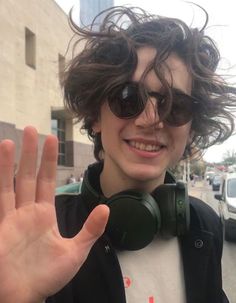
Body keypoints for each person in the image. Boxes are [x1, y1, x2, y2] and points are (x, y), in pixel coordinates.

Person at [0, 5, 235, 303]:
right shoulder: (41, 231)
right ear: (96, 116)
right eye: (127, 98)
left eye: (175, 105)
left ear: (190, 127)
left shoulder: (205, 226)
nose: (151, 119)